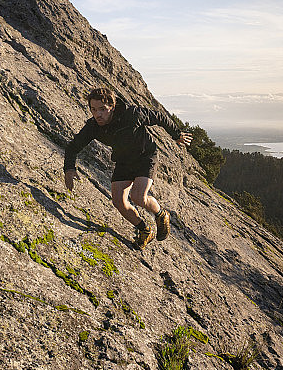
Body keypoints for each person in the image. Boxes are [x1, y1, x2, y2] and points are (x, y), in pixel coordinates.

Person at [63, 87, 192, 249]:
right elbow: (73, 146)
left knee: (138, 197)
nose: (98, 114)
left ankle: (161, 214)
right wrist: (69, 168)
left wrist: (177, 135)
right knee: (118, 201)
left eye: (102, 109)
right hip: (124, 162)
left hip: (145, 157)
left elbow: (159, 117)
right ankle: (145, 230)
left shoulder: (132, 114)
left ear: (112, 106)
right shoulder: (93, 127)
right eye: (93, 109)